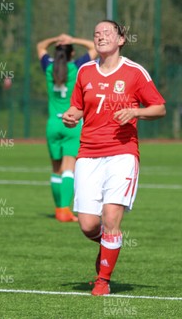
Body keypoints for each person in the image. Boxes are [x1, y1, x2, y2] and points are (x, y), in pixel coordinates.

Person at [62, 20, 165, 296]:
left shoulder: (134, 72)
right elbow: (77, 106)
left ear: (121, 39)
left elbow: (159, 107)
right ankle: (107, 244)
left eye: (107, 32)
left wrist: (136, 112)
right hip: (88, 154)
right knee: (88, 224)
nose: (101, 36)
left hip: (122, 153)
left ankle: (102, 281)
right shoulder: (84, 71)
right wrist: (73, 116)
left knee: (110, 217)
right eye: (96, 33)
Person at [36, 34, 97, 222]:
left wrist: (55, 39)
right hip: (72, 122)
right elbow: (93, 48)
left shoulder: (49, 68)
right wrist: (72, 39)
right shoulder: (76, 67)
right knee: (69, 168)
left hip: (52, 124)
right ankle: (64, 211)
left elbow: (40, 45)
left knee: (56, 170)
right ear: (71, 53)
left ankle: (59, 209)